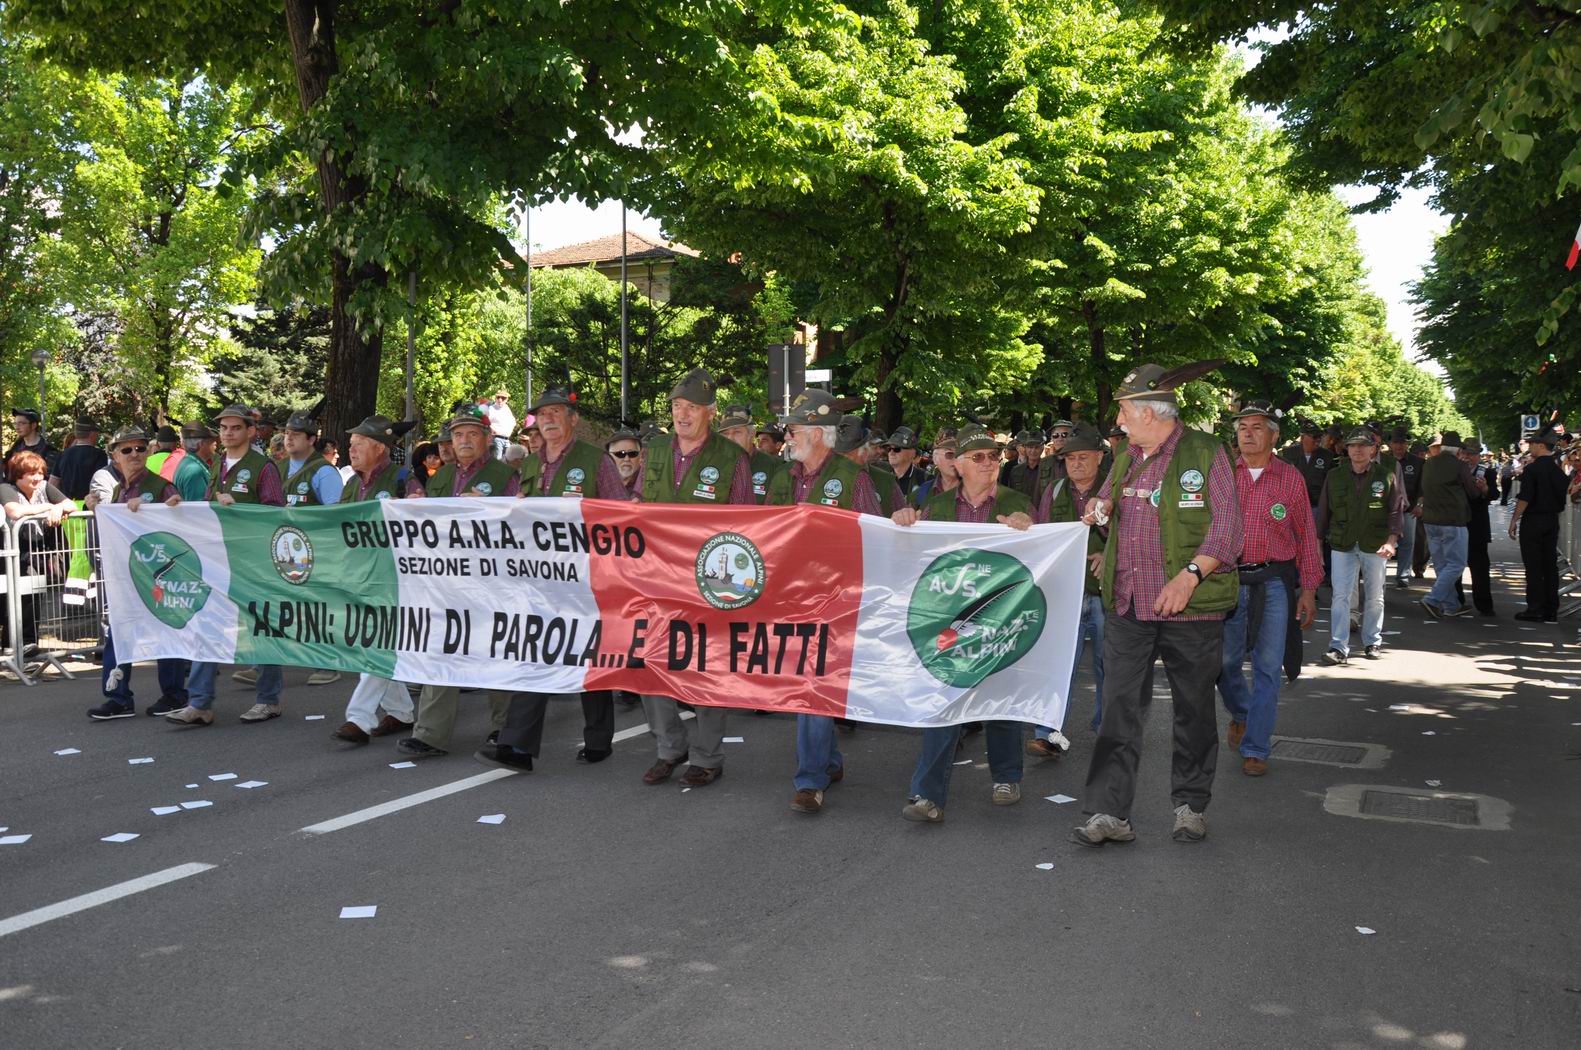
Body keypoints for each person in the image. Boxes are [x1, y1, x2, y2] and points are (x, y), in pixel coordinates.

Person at [1073, 360, 1242, 848]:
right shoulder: (1125, 455)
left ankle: (1190, 805)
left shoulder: (1206, 451)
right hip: (1128, 603)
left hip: (1192, 608)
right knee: (1118, 708)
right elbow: (1104, 504)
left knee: (1193, 709)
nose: (1119, 422)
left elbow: (1228, 527)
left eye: (1124, 412)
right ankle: (1110, 812)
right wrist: (1099, 509)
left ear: (1149, 413)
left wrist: (1190, 576)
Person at [476, 384, 633, 774]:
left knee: (590, 654)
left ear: (572, 419)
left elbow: (619, 514)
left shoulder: (595, 461)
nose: (547, 420)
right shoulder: (530, 464)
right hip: (540, 578)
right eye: (542, 415)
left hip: (586, 576)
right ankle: (517, 746)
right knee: (537, 652)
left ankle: (598, 739)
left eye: (555, 413)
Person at [889, 423, 1034, 823]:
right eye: (978, 457)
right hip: (950, 621)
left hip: (1001, 619)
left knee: (1000, 698)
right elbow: (913, 554)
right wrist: (902, 520)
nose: (988, 463)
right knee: (943, 702)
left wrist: (1028, 526)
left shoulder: (1018, 502)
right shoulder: (937, 507)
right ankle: (927, 794)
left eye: (994, 456)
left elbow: (1042, 555)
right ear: (960, 465)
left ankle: (1006, 776)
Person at [636, 368, 753, 787]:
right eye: (677, 406)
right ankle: (669, 747)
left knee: (706, 664)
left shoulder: (732, 458)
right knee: (652, 662)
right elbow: (636, 504)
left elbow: (747, 522)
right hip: (656, 576)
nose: (682, 414)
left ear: (711, 412)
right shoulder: (654, 450)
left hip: (709, 579)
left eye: (692, 407)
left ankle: (707, 755)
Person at [777, 390, 883, 814]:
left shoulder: (853, 478)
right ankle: (829, 761)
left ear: (818, 433)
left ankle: (810, 779)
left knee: (813, 684)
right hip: (789, 597)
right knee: (808, 685)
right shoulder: (784, 478)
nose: (787, 437)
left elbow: (876, 535)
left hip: (835, 601)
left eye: (794, 430)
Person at [397, 406, 521, 759]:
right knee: (441, 648)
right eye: (458, 435)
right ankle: (430, 733)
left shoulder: (505, 475)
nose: (464, 440)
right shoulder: (442, 476)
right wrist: (416, 509)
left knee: (498, 650)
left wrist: (494, 509)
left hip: (493, 578)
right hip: (447, 579)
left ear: (487, 438)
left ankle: (504, 728)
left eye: (472, 434)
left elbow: (522, 522)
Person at [166, 406, 289, 727]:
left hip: (254, 563)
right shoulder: (218, 464)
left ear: (251, 431)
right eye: (223, 428)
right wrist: (183, 506)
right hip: (218, 558)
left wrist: (240, 510)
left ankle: (268, 700)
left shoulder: (263, 467)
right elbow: (208, 506)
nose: (228, 433)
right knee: (206, 625)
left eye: (235, 428)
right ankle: (199, 703)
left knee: (260, 629)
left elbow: (276, 513)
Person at [1217, 403, 1322, 775]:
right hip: (1228, 580)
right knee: (1223, 663)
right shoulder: (1223, 473)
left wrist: (1308, 589)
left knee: (1267, 667)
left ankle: (1256, 747)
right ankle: (1243, 713)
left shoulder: (1289, 477)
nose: (1247, 433)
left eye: (1257, 427)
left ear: (1274, 435)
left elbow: (1306, 534)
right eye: (1242, 426)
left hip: (1274, 582)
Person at [329, 414, 420, 745]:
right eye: (351, 444)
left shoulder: (404, 479)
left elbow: (423, 518)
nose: (350, 450)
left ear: (380, 448)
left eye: (358, 444)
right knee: (372, 642)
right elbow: (337, 525)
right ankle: (401, 711)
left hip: (393, 578)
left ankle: (360, 717)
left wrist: (413, 507)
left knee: (377, 642)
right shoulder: (351, 484)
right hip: (359, 576)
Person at [81, 428, 182, 719]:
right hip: (127, 576)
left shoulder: (162, 486)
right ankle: (118, 697)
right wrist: (98, 509)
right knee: (118, 631)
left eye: (140, 448)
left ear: (149, 452)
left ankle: (175, 695)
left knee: (166, 632)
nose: (134, 454)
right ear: (114, 456)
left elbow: (179, 523)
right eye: (126, 450)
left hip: (158, 573)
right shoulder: (117, 490)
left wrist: (158, 510)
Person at [1030, 424, 1109, 751]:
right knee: (1057, 664)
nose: (1076, 463)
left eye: (1083, 457)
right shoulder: (1054, 490)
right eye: (1070, 458)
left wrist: (1109, 553)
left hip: (1105, 593)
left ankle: (1107, 729)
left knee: (1108, 665)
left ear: (1100, 457)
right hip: (1066, 594)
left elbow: (1133, 534)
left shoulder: (1113, 491)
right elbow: (1043, 535)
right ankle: (1046, 733)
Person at [1317, 427, 1404, 664]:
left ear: (1373, 449)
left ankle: (1372, 642)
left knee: (1375, 596)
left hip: (1375, 543)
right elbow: (1323, 512)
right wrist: (1317, 544)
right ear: (1347, 449)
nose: (1357, 450)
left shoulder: (1386, 475)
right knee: (1340, 596)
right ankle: (1338, 647)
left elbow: (1395, 511)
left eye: (1363, 445)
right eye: (1353, 445)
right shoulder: (1334, 475)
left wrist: (1391, 541)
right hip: (1342, 543)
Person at [1, 450, 77, 660]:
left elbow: (70, 504)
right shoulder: (6, 488)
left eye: (40, 473)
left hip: (41, 551)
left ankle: (26, 644)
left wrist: (59, 508)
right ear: (18, 474)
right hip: (15, 552)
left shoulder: (44, 487)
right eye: (31, 474)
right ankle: (16, 645)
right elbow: (15, 511)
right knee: (17, 598)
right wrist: (49, 507)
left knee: (34, 595)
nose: (37, 478)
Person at [1419, 429, 1484, 619]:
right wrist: (1480, 487)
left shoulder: (1429, 463)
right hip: (1453, 520)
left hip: (1430, 519)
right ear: (1458, 450)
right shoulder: (1460, 466)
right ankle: (1432, 599)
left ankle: (1451, 605)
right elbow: (1472, 492)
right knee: (1456, 564)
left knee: (1441, 564)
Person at [1509, 429, 1568, 622]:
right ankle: (1551, 608)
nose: (1530, 447)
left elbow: (1525, 498)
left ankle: (1535, 608)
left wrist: (1514, 519)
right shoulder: (1559, 472)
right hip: (1552, 520)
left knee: (1534, 565)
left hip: (1533, 520)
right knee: (1549, 565)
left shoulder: (1532, 470)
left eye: (1532, 443)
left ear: (1541, 445)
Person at [1458, 440, 1497, 616]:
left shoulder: (1487, 472)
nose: (1469, 458)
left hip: (1477, 524)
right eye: (1466, 454)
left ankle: (1484, 604)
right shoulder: (1455, 470)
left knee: (1480, 567)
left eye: (1473, 454)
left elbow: (1494, 494)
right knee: (1455, 564)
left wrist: (1485, 489)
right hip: (1457, 521)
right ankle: (1456, 600)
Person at [718, 403, 785, 505]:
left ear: (752, 434)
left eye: (737, 432)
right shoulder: (710, 463)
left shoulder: (775, 467)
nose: (730, 438)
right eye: (725, 433)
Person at [1384, 427, 1425, 588]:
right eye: (1396, 442)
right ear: (1390, 444)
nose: (1399, 445)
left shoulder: (1418, 462)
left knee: (1407, 543)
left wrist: (1420, 505)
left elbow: (1422, 487)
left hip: (1409, 510)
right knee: (1384, 542)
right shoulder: (1384, 461)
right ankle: (1380, 575)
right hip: (1386, 510)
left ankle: (1403, 576)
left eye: (1402, 442)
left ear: (1407, 444)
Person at [48, 420, 107, 500]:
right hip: (89, 504)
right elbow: (102, 482)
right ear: (92, 434)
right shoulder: (99, 455)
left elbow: (52, 484)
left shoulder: (62, 455)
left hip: (68, 504)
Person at [909, 429, 959, 506]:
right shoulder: (920, 494)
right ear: (935, 458)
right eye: (949, 454)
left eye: (959, 454)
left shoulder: (976, 492)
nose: (956, 459)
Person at [604, 428, 644, 498]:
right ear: (608, 456)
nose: (626, 459)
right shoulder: (597, 482)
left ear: (640, 456)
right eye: (620, 454)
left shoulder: (649, 484)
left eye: (632, 453)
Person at [1007, 429, 1045, 500]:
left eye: (1036, 447)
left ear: (1042, 449)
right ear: (1026, 448)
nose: (1033, 451)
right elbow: (1011, 495)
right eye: (1030, 447)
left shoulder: (1048, 469)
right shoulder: (1016, 471)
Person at [885, 427, 923, 495]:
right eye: (889, 449)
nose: (891, 453)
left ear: (912, 453)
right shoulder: (880, 476)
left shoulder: (925, 480)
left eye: (897, 449)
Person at [486, 388, 516, 457]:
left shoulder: (507, 409)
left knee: (508, 460)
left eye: (503, 398)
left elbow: (513, 422)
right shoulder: (491, 408)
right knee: (498, 460)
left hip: (506, 440)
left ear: (506, 399)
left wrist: (510, 432)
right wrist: (492, 430)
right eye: (498, 397)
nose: (500, 400)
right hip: (496, 439)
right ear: (495, 398)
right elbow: (485, 422)